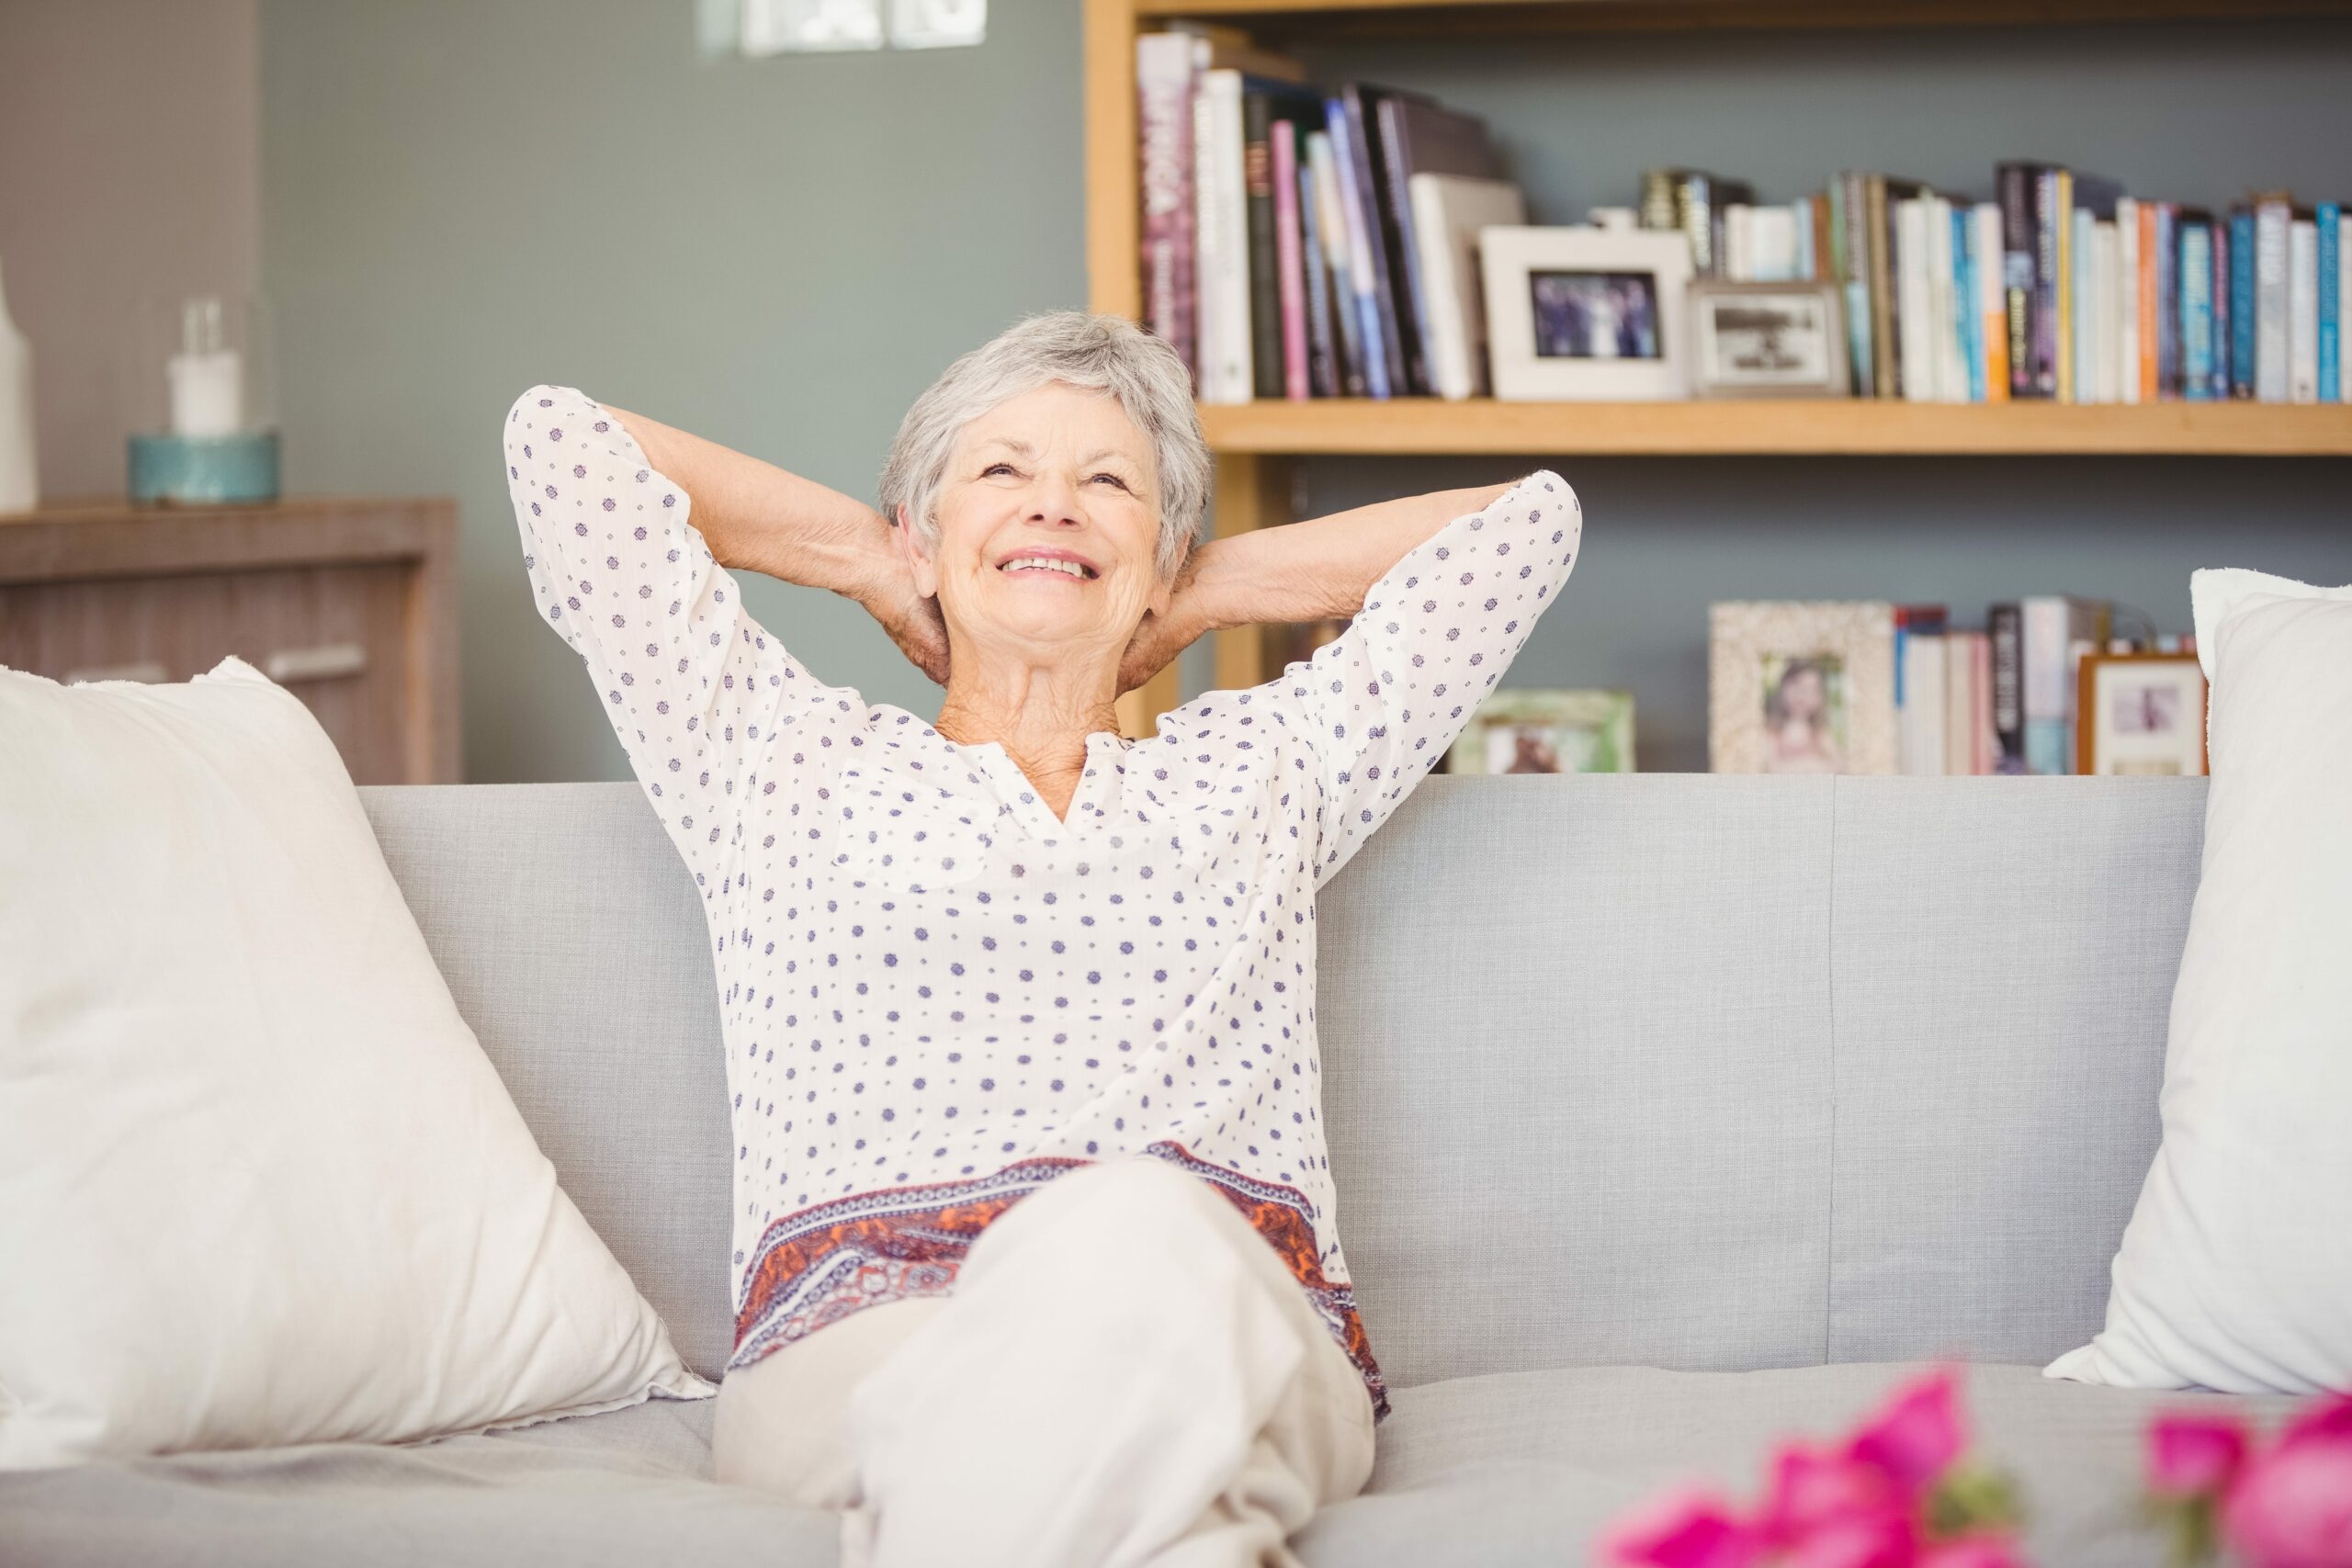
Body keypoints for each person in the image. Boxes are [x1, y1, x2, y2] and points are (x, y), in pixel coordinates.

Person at [503, 310, 1581, 1567]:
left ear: (1167, 548)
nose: (1054, 506)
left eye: (1108, 484)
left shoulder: (1264, 771)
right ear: (926, 529)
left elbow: (1527, 526)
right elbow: (561, 446)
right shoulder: (774, 760)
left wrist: (1189, 590)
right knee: (1147, 1408)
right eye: (1002, 473)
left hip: (1219, 1316)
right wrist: (870, 555)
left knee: (1139, 1233)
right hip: (877, 1334)